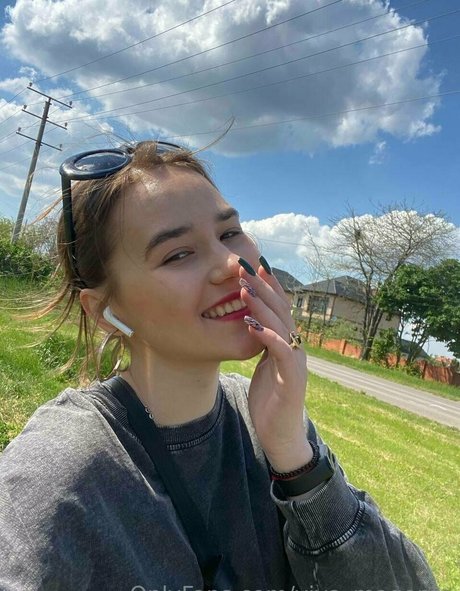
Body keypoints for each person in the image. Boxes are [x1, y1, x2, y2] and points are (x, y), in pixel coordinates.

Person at [0, 140, 439, 591]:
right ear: (105, 312)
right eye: (177, 254)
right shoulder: (58, 470)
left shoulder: (266, 419)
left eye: (230, 233)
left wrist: (293, 456)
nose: (232, 264)